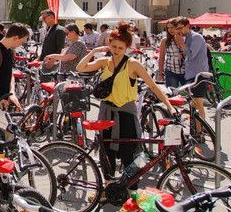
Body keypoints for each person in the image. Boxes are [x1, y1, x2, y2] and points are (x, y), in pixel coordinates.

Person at [76, 28, 174, 179]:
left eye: (120, 48)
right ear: (109, 45)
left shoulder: (133, 64)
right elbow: (80, 68)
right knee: (106, 152)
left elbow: (153, 86)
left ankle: (130, 186)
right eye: (114, 46)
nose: (116, 50)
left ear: (127, 48)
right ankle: (108, 184)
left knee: (130, 153)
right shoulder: (104, 62)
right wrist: (94, 51)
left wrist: (169, 106)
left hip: (126, 113)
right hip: (106, 112)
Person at [174, 17, 211, 127]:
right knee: (193, 104)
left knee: (198, 104)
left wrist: (182, 43)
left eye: (180, 28)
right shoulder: (187, 38)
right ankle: (196, 129)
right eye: (177, 28)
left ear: (187, 26)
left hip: (199, 75)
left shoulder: (196, 37)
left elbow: (191, 55)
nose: (178, 31)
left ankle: (200, 131)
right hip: (191, 75)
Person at [157, 19, 186, 90]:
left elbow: (190, 55)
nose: (170, 30)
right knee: (172, 93)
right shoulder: (165, 41)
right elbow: (161, 58)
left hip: (185, 71)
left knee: (188, 94)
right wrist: (160, 74)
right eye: (168, 28)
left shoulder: (185, 39)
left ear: (177, 27)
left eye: (172, 27)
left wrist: (182, 44)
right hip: (171, 71)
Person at [38, 10, 66, 74]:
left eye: (44, 17)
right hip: (45, 61)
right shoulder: (48, 29)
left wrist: (52, 61)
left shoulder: (59, 30)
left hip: (52, 64)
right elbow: (45, 46)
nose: (43, 20)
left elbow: (60, 49)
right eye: (42, 18)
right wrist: (40, 58)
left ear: (51, 17)